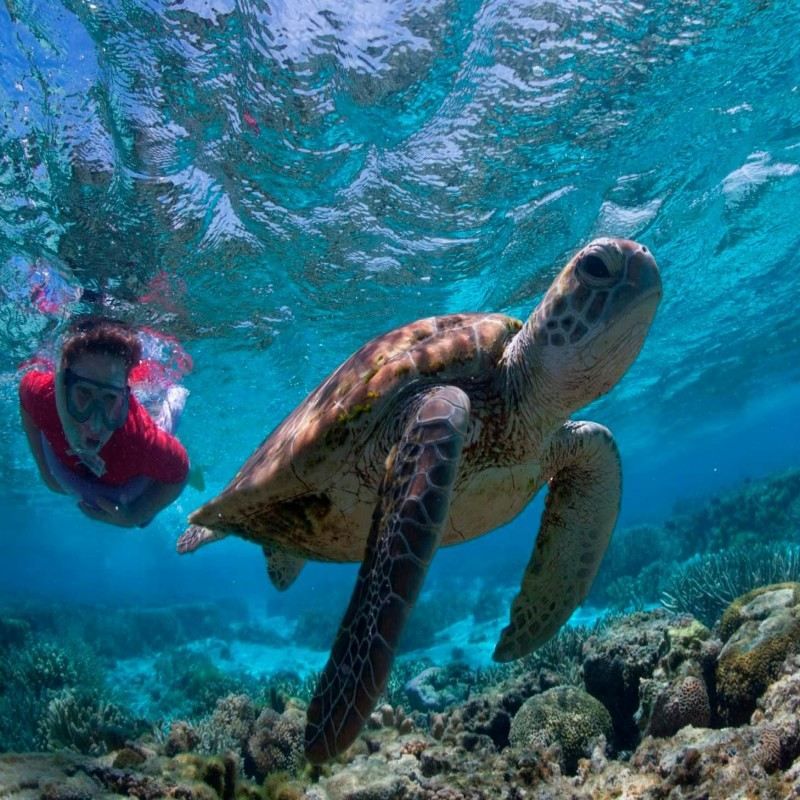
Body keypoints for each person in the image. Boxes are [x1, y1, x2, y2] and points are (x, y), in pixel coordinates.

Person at [19, 316, 190, 528]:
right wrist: (45, 470)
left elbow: (180, 473)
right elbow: (25, 396)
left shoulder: (139, 439)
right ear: (63, 386)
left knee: (145, 521)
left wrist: (134, 516)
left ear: (125, 397)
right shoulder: (44, 396)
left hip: (132, 480)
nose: (95, 422)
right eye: (83, 392)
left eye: (110, 398)